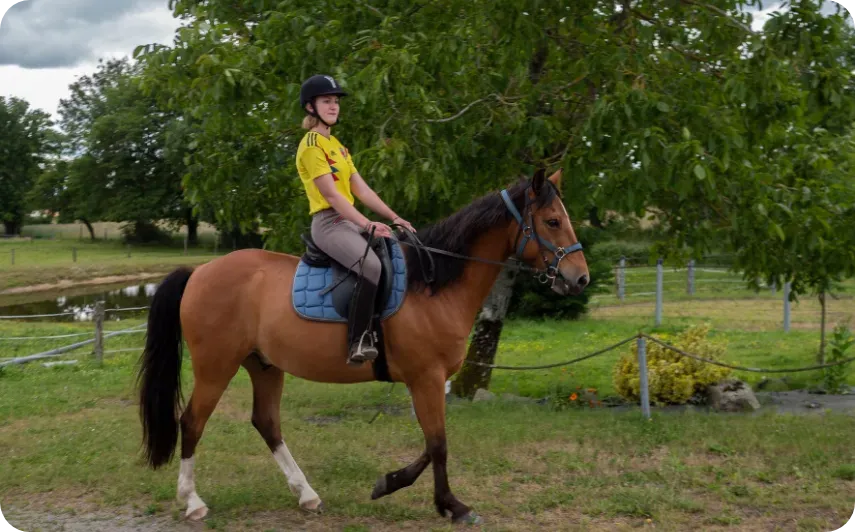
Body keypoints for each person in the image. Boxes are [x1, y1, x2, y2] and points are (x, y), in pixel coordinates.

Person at [295, 74, 416, 366]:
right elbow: (334, 197)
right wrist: (367, 224)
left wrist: (394, 217)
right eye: (327, 101)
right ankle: (358, 340)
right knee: (370, 266)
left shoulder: (336, 145)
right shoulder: (312, 145)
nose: (334, 106)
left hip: (346, 222)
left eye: (336, 101)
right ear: (311, 107)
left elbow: (360, 189)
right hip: (328, 223)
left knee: (393, 252)